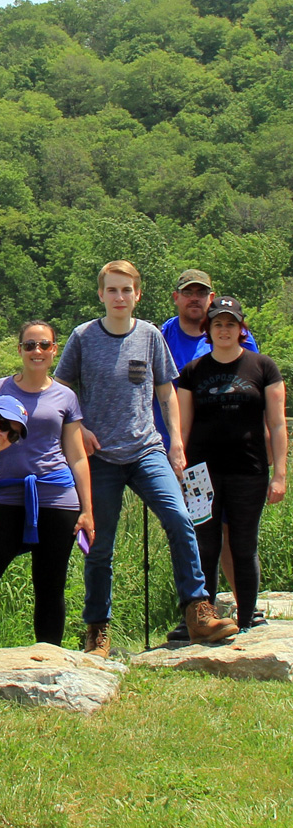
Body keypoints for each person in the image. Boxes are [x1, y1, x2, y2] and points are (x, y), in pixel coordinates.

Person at [54, 260, 238, 657]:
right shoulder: (83, 336)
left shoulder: (151, 335)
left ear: (138, 295)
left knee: (179, 519)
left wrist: (175, 443)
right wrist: (79, 427)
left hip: (146, 449)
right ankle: (97, 631)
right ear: (101, 294)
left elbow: (166, 391)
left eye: (126, 290)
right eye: (112, 290)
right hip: (99, 455)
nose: (119, 297)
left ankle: (197, 611)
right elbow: (61, 388)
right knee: (99, 545)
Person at [0, 322, 95, 651]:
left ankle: (48, 659)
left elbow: (77, 455)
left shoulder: (65, 397)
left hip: (57, 498)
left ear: (54, 349)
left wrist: (87, 510)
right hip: (6, 496)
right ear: (19, 349)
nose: (36, 351)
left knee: (50, 586)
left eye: (43, 345)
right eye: (29, 345)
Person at [157, 269, 259, 637]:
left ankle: (245, 607)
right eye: (189, 294)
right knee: (195, 531)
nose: (195, 300)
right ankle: (199, 612)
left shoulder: (233, 336)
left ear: (212, 297)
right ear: (176, 297)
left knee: (235, 533)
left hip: (238, 457)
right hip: (182, 453)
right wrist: (171, 446)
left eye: (202, 294)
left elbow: (257, 390)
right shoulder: (163, 335)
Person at [177, 296, 287, 635]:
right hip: (201, 473)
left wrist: (280, 473)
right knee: (204, 544)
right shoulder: (193, 372)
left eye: (231, 323)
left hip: (249, 469)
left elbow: (278, 423)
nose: (224, 329)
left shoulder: (263, 367)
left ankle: (247, 618)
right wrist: (178, 462)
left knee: (243, 543)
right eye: (218, 324)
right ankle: (202, 619)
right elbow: (182, 425)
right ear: (208, 330)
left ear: (242, 329)